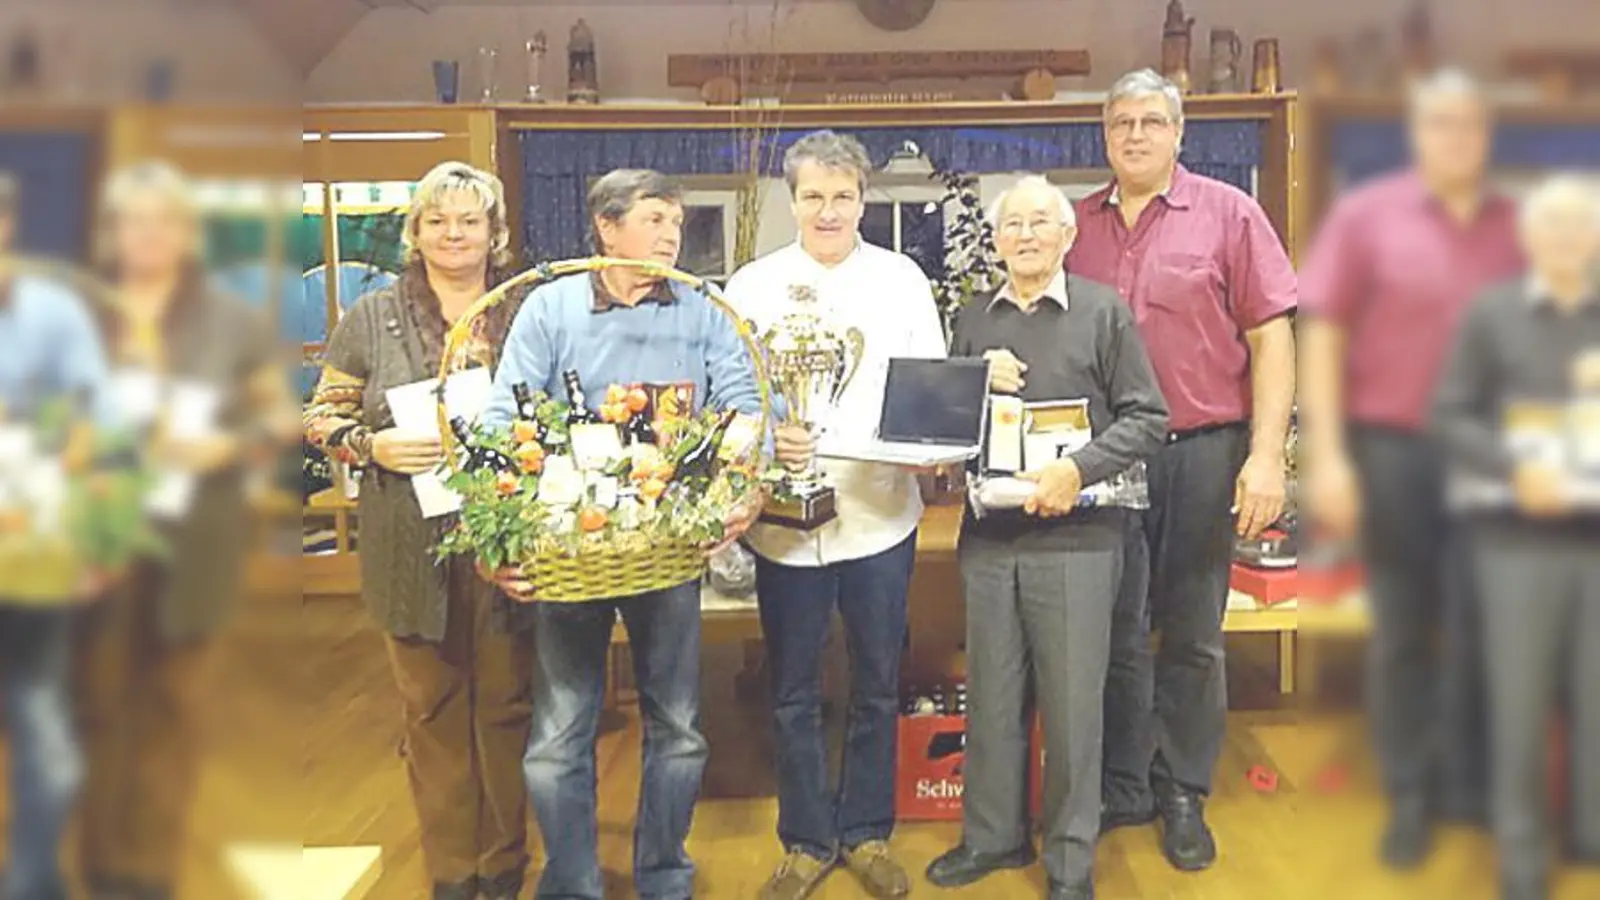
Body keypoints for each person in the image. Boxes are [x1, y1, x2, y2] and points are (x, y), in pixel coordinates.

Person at [480, 168, 763, 900]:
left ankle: (664, 876)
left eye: (677, 222)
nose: (672, 235)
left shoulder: (703, 308)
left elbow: (743, 404)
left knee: (680, 730)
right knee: (557, 738)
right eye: (654, 219)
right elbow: (503, 419)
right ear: (606, 227)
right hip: (569, 551)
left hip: (670, 553)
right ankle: (572, 883)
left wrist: (744, 487)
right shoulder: (550, 307)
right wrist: (501, 527)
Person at [1069, 68, 1297, 872]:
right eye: (1120, 122)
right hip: (1105, 459)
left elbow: (1272, 338)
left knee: (1193, 632)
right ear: (1105, 135)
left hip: (1203, 451)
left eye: (1151, 122)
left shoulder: (1231, 215)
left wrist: (1266, 456)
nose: (1135, 135)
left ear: (1179, 133)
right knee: (1114, 629)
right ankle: (1123, 783)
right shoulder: (1075, 227)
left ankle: (1182, 789)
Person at [1299, 68, 1521, 866]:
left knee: (1481, 623)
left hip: (1493, 457)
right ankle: (1410, 797)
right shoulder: (1366, 218)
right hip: (1392, 450)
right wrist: (1328, 458)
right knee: (1401, 631)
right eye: (1441, 124)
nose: (1457, 139)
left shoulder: (1517, 225)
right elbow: (1322, 335)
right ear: (1418, 133)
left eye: (1470, 124)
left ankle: (1468, 785)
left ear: (1486, 135)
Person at [925, 176, 1168, 900]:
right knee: (992, 696)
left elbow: (1148, 418)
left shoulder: (1103, 312)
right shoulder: (973, 318)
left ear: (1067, 236)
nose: (1025, 235)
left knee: (1071, 708)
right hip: (990, 537)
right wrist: (970, 380)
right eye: (1012, 225)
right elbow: (947, 424)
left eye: (1040, 223)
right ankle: (991, 838)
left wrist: (1076, 469)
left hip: (1079, 537)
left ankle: (1069, 862)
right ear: (996, 241)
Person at [721, 129, 946, 900]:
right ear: (791, 201)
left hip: (879, 516)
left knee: (877, 683)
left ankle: (869, 831)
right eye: (813, 196)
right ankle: (806, 839)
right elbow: (731, 398)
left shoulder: (901, 280)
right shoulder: (751, 286)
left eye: (842, 196)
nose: (828, 211)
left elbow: (927, 391)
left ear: (863, 199)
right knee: (792, 690)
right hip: (783, 529)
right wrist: (765, 442)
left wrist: (928, 448)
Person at [303, 161, 533, 900]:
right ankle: (453, 872)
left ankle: (504, 863)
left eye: (470, 221)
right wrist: (370, 445)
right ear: (416, 231)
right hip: (408, 543)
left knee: (507, 707)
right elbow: (320, 416)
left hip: (510, 540)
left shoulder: (526, 311)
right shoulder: (372, 316)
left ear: (495, 233)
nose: (453, 233)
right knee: (431, 711)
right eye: (438, 220)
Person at [1431, 173, 1600, 900]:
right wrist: (1514, 467)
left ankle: (1591, 835)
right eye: (1551, 226)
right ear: (1529, 238)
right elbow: (1450, 415)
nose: (1565, 239)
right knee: (1519, 704)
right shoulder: (1491, 315)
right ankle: (1523, 856)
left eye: (1578, 226)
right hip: (1515, 540)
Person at [0, 172, 114, 900]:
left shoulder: (52, 313)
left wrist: (98, 539)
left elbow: (99, 426)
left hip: (34, 555)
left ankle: (33, 882)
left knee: (44, 737)